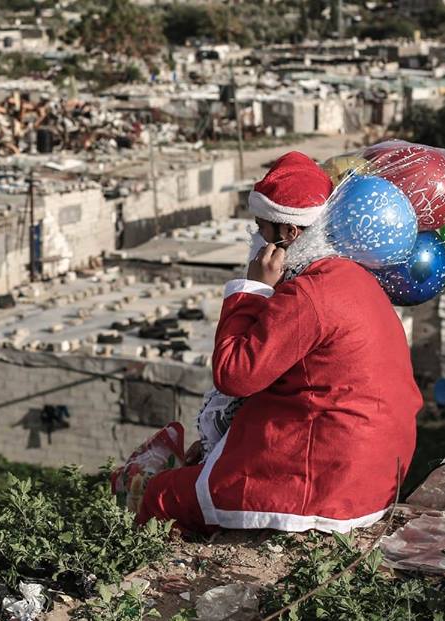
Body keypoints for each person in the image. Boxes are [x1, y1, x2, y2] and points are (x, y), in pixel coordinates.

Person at [136, 151, 422, 534]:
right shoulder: (348, 275)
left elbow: (234, 373)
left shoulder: (309, 294)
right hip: (376, 471)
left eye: (260, 227)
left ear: (288, 234)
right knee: (202, 469)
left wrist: (251, 289)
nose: (255, 238)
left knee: (160, 494)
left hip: (328, 483)